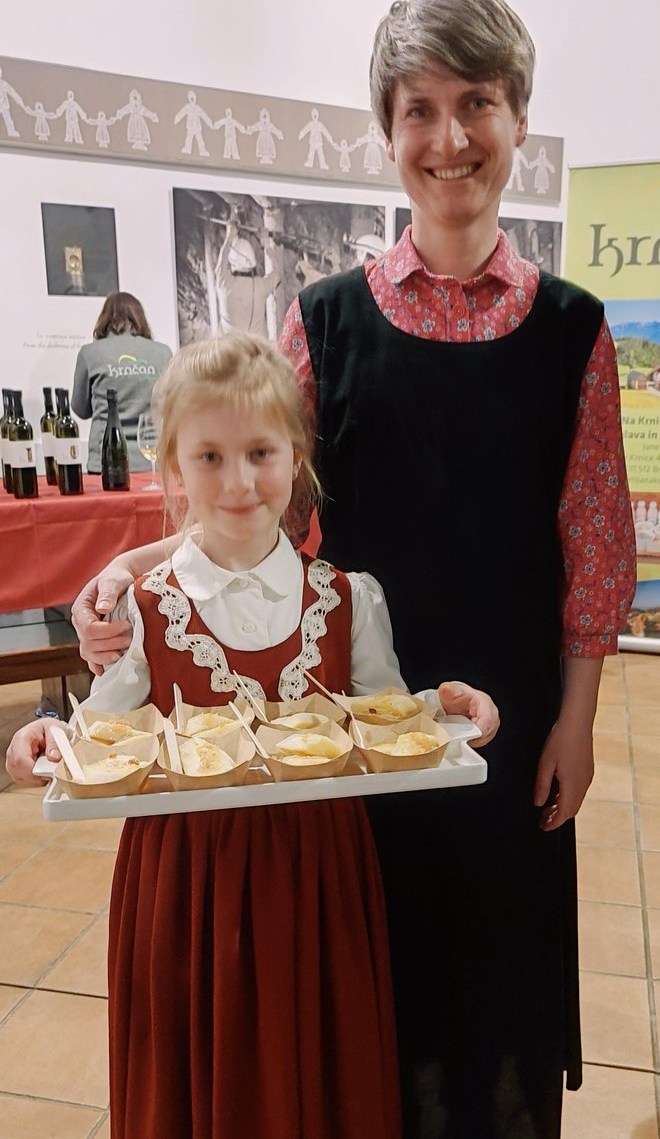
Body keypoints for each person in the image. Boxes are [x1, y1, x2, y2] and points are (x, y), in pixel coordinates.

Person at [40, 0, 636, 1137]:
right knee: (371, 986)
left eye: (478, 104)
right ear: (387, 131)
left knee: (498, 985)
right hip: (352, 725)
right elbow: (256, 498)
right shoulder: (326, 317)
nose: (450, 138)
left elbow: (594, 543)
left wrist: (577, 719)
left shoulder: (572, 325)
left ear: (520, 121)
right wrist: (131, 572)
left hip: (510, 720)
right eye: (420, 108)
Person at [7, 332, 499, 1139]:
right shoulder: (149, 606)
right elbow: (103, 729)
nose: (238, 481)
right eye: (209, 456)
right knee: (203, 1077)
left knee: (314, 1063)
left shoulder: (348, 599)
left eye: (261, 451)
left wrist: (442, 706)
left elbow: (384, 717)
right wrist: (48, 737)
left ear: (297, 457)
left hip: (318, 876)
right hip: (186, 885)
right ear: (171, 471)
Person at [71, 292, 172, 472]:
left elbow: (80, 408)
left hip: (106, 460)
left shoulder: (90, 353)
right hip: (152, 458)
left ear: (104, 318)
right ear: (140, 318)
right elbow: (171, 405)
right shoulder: (163, 353)